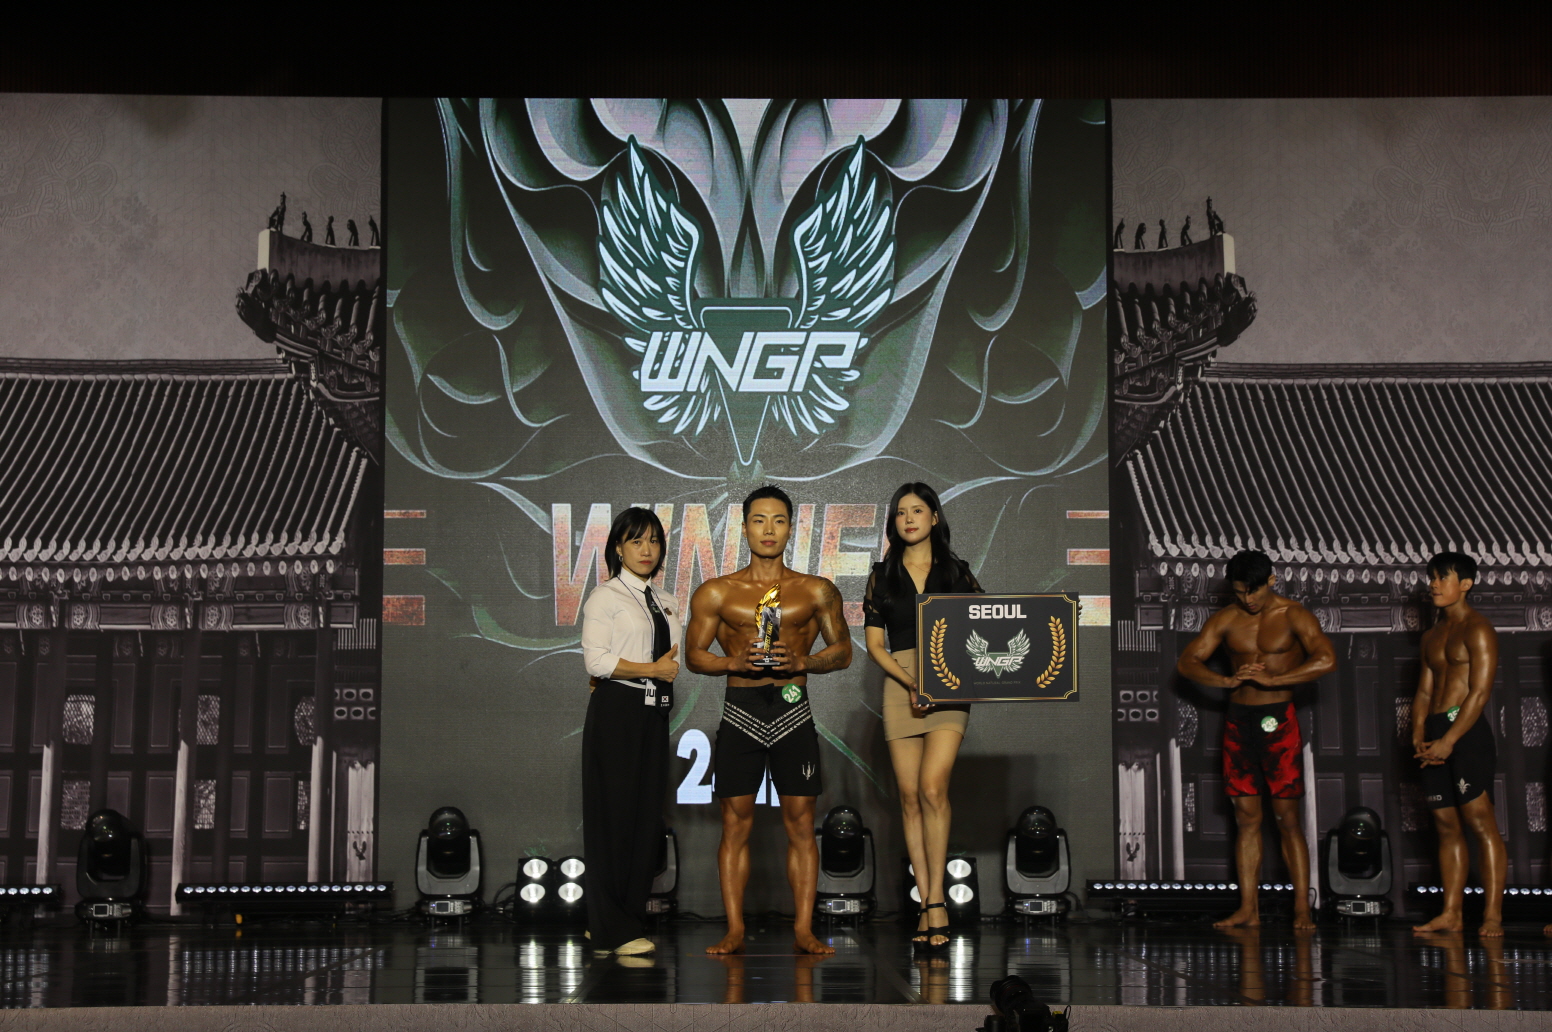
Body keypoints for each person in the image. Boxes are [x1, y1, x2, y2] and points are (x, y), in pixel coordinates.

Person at [686, 485, 851, 955]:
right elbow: (694, 655)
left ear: (790, 528)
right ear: (744, 528)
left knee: (801, 823)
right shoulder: (717, 591)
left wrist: (803, 662)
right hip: (741, 711)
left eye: (778, 520)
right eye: (759, 520)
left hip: (792, 708)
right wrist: (732, 663)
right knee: (735, 824)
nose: (768, 529)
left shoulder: (816, 590)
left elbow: (843, 652)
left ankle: (803, 929)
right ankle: (735, 929)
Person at [1175, 549, 1335, 929]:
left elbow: (1326, 659)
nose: (1247, 599)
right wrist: (1226, 680)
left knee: (1287, 818)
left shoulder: (1293, 615)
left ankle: (1301, 908)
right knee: (1246, 818)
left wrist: (1275, 679)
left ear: (1271, 581)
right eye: (1240, 592)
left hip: (1278, 721)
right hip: (1238, 722)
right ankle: (1249, 908)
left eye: (1254, 591)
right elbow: (1187, 661)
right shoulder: (1226, 619)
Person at [863, 482, 982, 952]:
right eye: (900, 512)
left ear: (934, 517)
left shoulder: (957, 572)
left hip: (949, 684)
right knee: (910, 797)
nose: (909, 518)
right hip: (900, 684)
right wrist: (913, 683)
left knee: (934, 788)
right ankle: (928, 903)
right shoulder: (882, 575)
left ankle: (937, 901)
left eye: (917, 510)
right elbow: (875, 645)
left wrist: (939, 680)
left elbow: (989, 622)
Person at [579, 507, 681, 956]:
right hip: (618, 710)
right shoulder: (605, 597)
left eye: (654, 540)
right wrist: (650, 669)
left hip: (654, 712)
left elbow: (673, 657)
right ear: (618, 547)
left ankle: (620, 922)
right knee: (613, 819)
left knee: (645, 819)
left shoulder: (666, 600)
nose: (646, 549)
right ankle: (611, 927)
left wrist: (658, 673)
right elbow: (595, 661)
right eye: (636, 540)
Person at [1409, 552, 1506, 937]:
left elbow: (1480, 693)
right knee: (1445, 824)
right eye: (1431, 577)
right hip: (1435, 731)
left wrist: (1450, 740)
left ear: (1465, 584)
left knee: (1480, 822)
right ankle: (1451, 912)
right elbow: (1423, 690)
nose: (1433, 584)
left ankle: (1493, 915)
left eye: (1442, 577)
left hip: (1465, 734)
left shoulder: (1479, 629)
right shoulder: (1431, 636)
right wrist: (1417, 733)